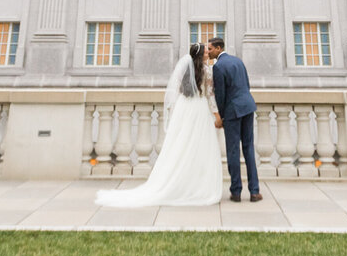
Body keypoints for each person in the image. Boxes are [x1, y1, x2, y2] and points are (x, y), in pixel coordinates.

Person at [94, 43, 222, 207]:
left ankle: (181, 183)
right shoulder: (207, 71)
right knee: (199, 147)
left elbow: (176, 90)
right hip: (199, 109)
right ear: (201, 55)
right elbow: (210, 96)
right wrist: (217, 115)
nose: (208, 53)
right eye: (206, 51)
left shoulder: (185, 70)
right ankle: (197, 185)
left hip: (185, 108)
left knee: (181, 145)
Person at [208, 36, 262, 202]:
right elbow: (246, 84)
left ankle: (236, 191)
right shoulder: (238, 61)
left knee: (233, 151)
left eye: (210, 49)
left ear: (218, 48)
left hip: (233, 111)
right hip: (248, 106)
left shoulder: (218, 66)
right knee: (248, 149)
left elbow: (220, 94)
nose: (208, 52)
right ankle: (254, 191)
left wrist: (222, 116)